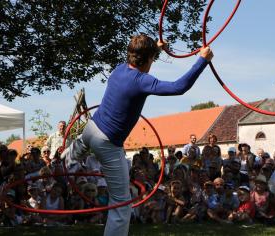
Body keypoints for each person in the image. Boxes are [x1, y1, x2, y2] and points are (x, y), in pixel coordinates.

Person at [62, 34, 213, 235]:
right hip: (108, 143)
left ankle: (62, 159)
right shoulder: (142, 81)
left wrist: (155, 50)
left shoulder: (118, 70)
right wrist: (202, 60)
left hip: (90, 129)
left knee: (78, 148)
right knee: (121, 204)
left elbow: (140, 59)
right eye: (152, 57)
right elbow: (179, 87)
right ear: (148, 58)